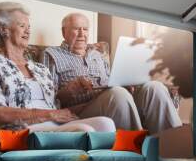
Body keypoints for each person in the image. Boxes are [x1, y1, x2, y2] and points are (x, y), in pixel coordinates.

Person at [0, 2, 115, 132]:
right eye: (22, 26)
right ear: (4, 30)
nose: (28, 31)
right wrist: (48, 115)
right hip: (21, 130)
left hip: (55, 126)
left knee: (105, 124)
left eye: (29, 26)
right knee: (85, 131)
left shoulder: (40, 69)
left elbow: (58, 105)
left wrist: (78, 94)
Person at [42, 13, 182, 134]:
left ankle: (171, 146)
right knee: (117, 94)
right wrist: (68, 91)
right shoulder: (51, 55)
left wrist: (125, 84)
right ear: (63, 31)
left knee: (154, 87)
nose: (82, 34)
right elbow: (47, 99)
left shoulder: (97, 55)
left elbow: (111, 82)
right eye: (76, 29)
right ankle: (135, 148)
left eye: (85, 29)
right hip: (81, 110)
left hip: (114, 101)